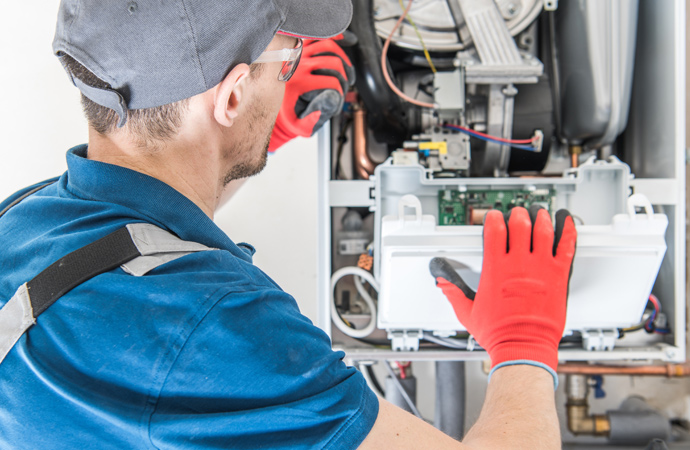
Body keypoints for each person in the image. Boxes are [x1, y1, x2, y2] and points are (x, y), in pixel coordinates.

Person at [0, 0, 576, 449]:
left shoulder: (26, 219)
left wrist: (255, 138)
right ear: (230, 97)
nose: (291, 77)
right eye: (289, 59)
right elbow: (181, 323)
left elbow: (144, 241)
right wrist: (524, 343)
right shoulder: (217, 330)